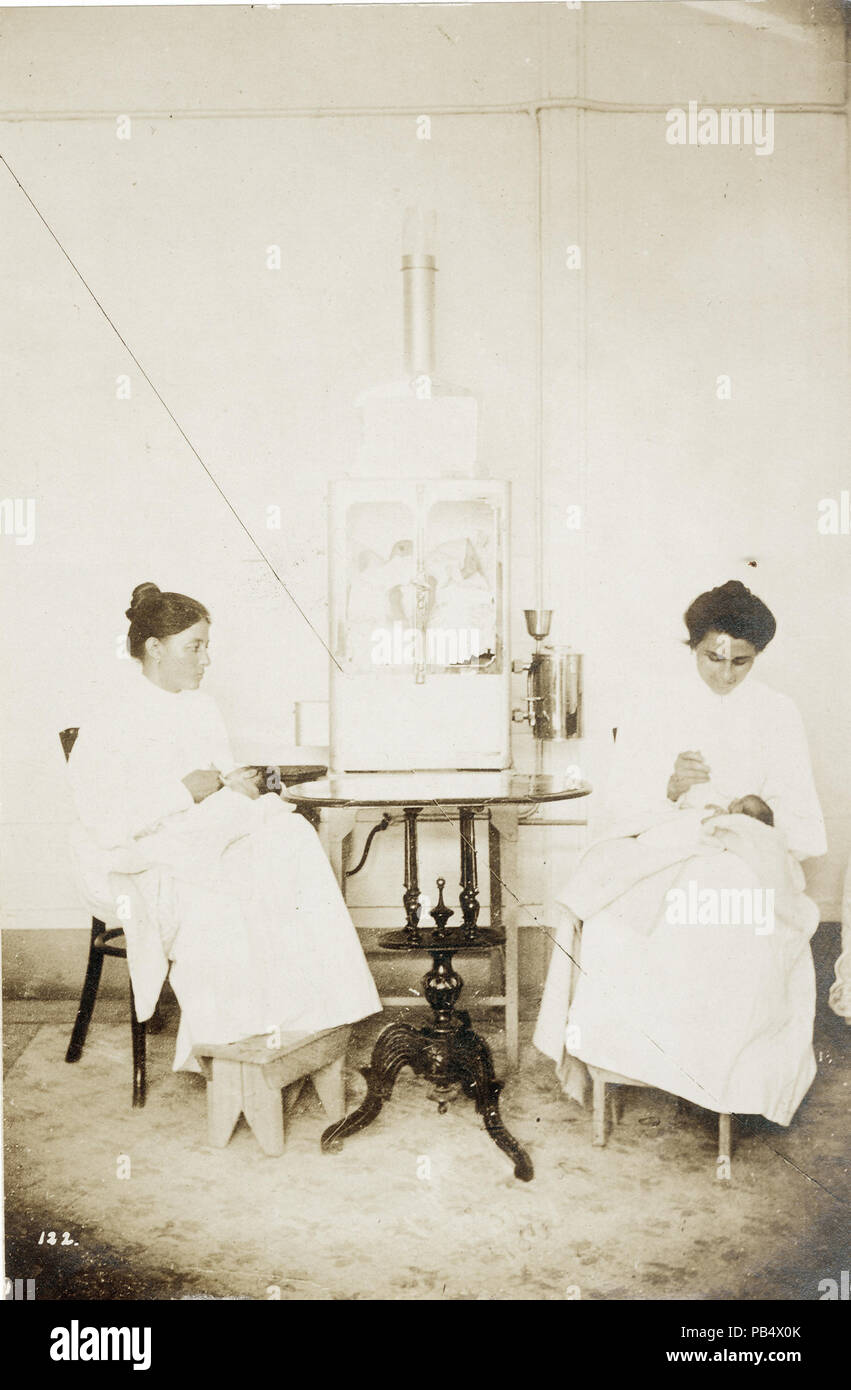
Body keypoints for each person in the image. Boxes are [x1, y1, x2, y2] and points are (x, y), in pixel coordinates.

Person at [534, 580, 827, 1126]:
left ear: (756, 656)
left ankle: (723, 1078)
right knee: (623, 920)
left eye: (741, 662)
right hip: (664, 845)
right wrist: (668, 788)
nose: (725, 673)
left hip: (744, 853)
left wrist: (756, 808)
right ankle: (636, 1059)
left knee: (733, 917)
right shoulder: (656, 704)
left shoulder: (777, 712)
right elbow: (620, 804)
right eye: (712, 657)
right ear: (693, 646)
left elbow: (802, 822)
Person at [67, 583, 382, 1072]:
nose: (206, 659)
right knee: (235, 878)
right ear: (154, 648)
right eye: (195, 646)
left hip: (198, 832)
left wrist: (236, 785)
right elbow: (105, 822)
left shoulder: (201, 706)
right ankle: (234, 1043)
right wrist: (184, 791)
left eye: (206, 645)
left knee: (291, 839)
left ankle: (309, 1023)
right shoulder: (110, 717)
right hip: (136, 855)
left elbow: (219, 781)